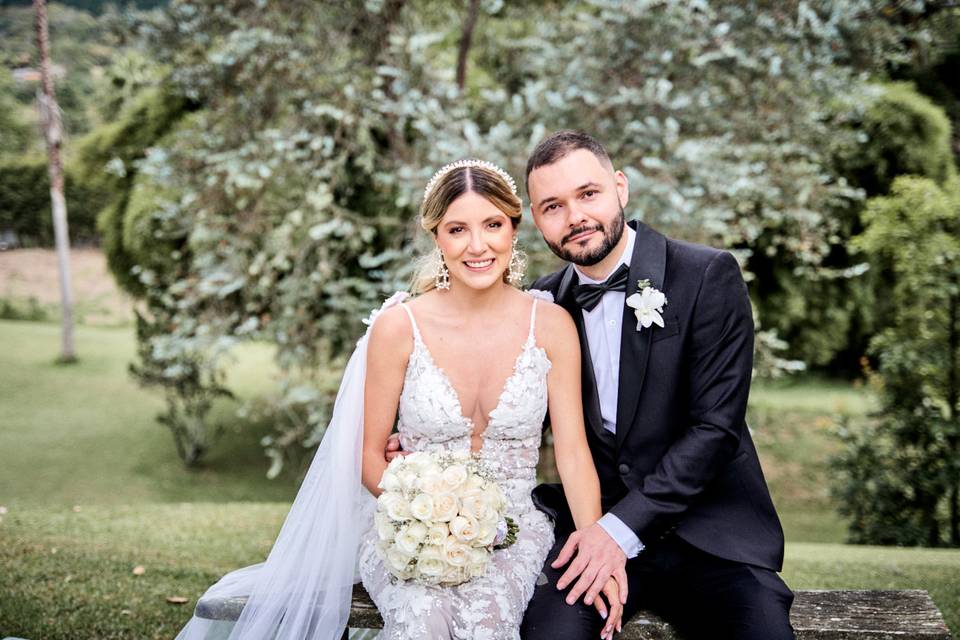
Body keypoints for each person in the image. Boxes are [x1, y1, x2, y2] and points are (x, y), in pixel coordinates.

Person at [173, 158, 625, 640]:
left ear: (515, 228)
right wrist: (425, 514)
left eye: (492, 225)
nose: (477, 246)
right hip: (412, 531)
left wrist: (597, 544)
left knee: (488, 625)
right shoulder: (399, 327)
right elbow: (369, 458)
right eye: (457, 229)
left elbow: (574, 454)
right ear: (436, 237)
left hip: (513, 533)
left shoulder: (551, 324)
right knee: (424, 619)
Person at [387, 131, 795, 640]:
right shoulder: (543, 308)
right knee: (550, 633)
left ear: (619, 187)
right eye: (553, 205)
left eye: (588, 194)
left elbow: (714, 430)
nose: (575, 216)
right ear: (535, 221)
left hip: (710, 538)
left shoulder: (705, 275)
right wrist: (418, 452)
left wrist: (614, 535)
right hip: (588, 529)